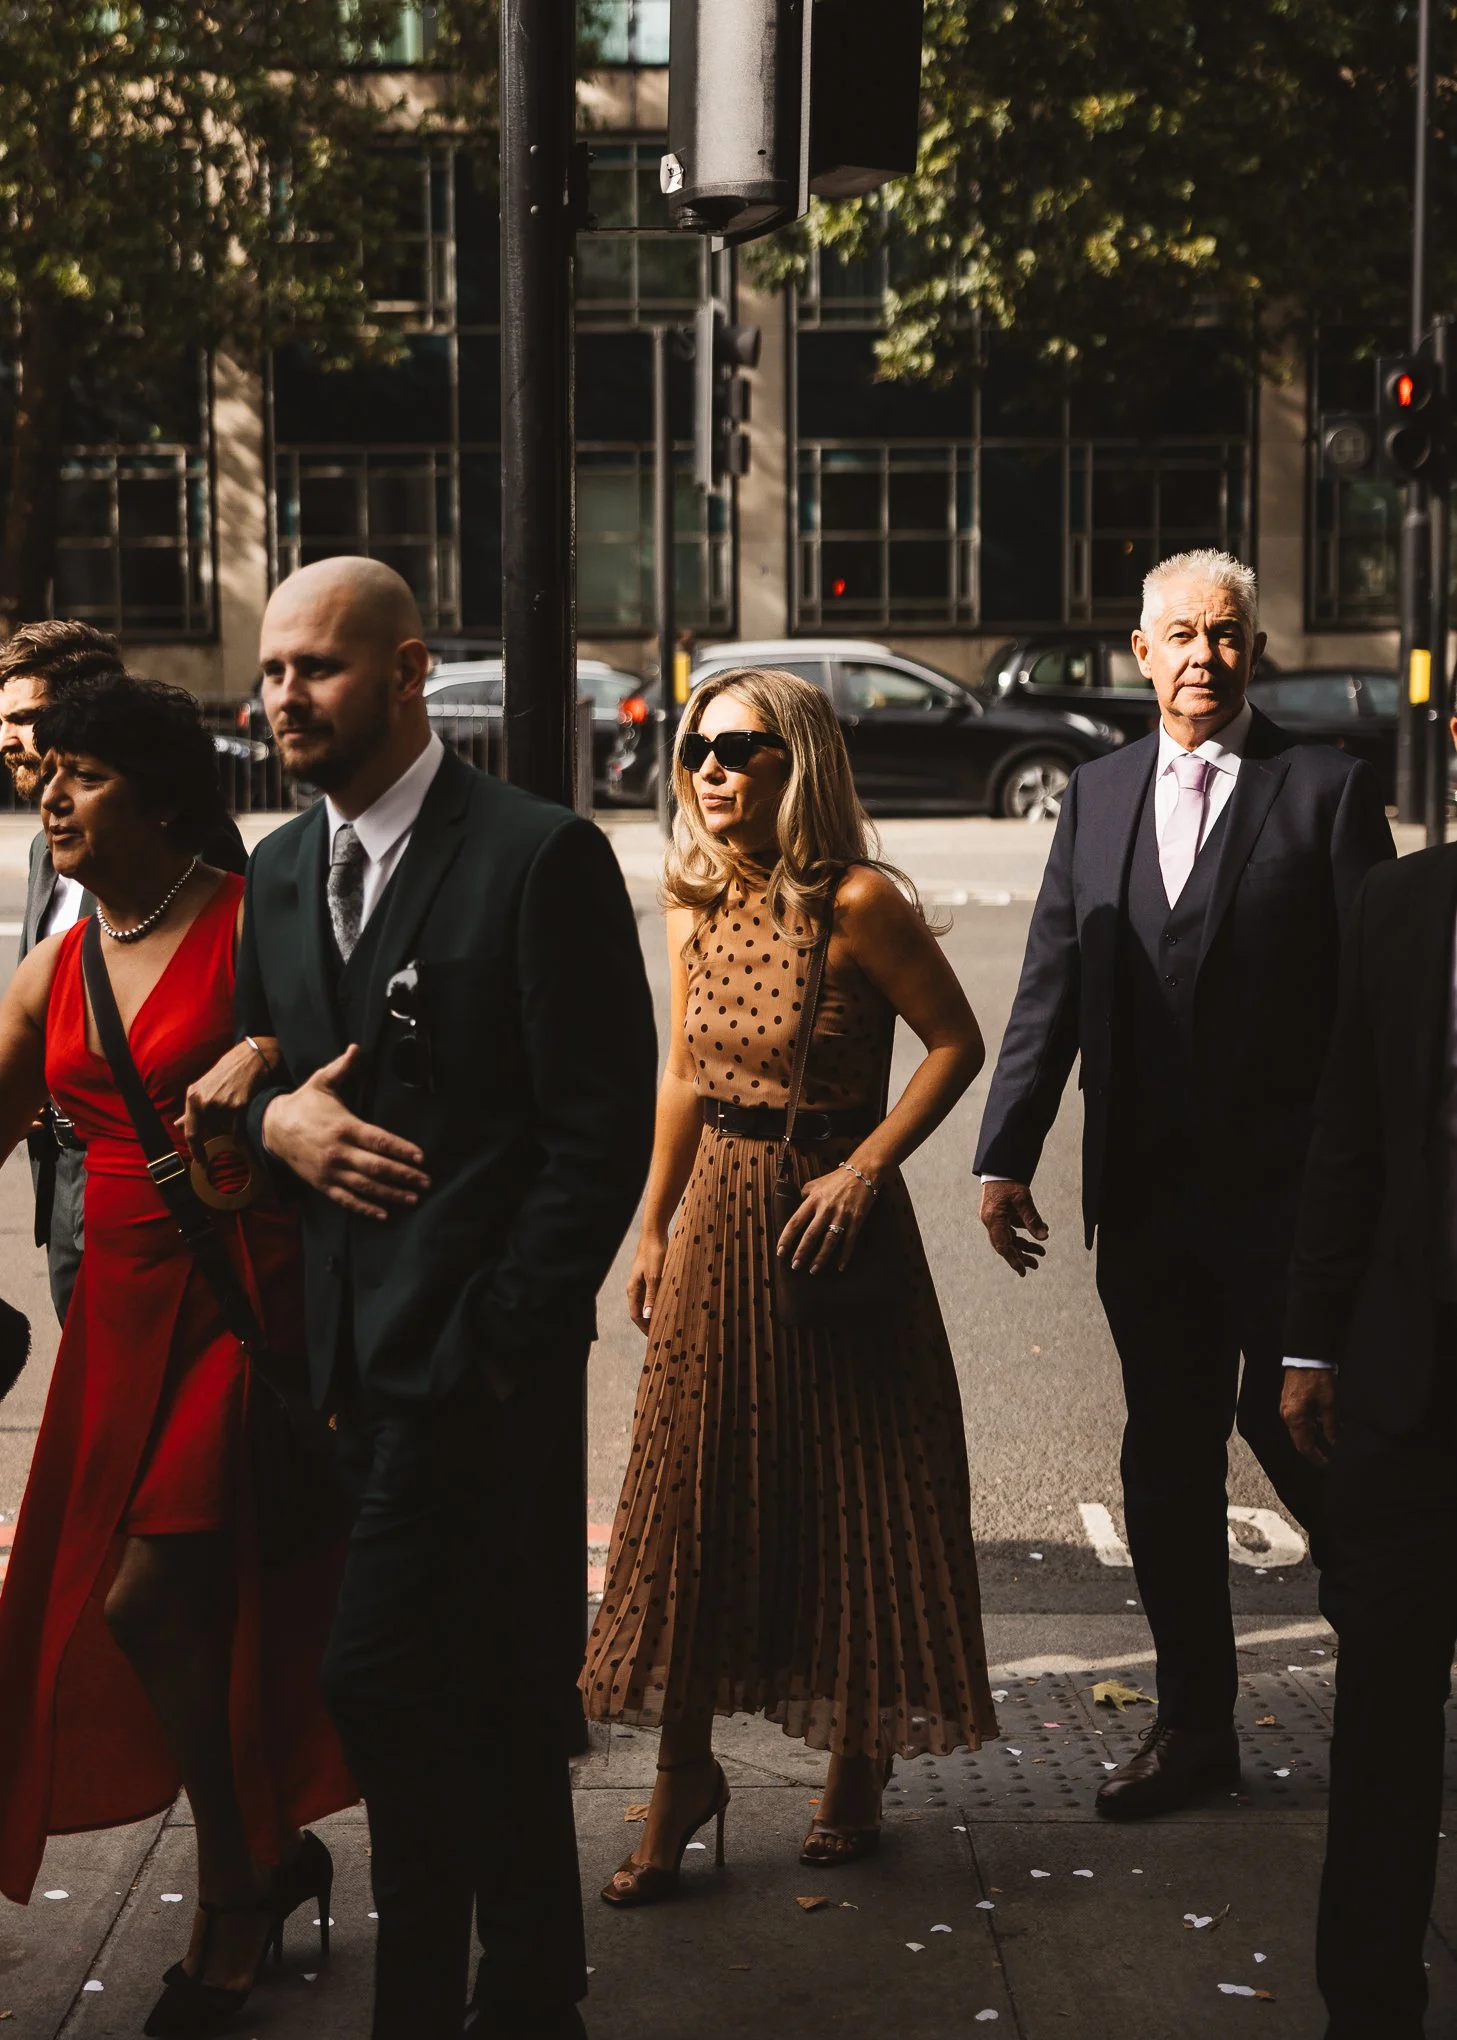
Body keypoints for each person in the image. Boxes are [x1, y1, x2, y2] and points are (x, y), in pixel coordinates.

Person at [225, 556, 656, 2040]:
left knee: (379, 1680)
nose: (283, 697)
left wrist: (499, 1344)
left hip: (474, 1370)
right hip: (337, 1374)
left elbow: (596, 1133)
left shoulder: (538, 857)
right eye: (272, 671)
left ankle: (419, 1999)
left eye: (317, 667)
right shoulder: (277, 873)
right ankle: (533, 1992)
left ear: (409, 673)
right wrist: (273, 1123)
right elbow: (251, 1087)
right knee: (487, 1683)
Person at [974, 549, 1394, 1820]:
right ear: (1141, 652)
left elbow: (1373, 1016)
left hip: (1288, 1206)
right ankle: (1194, 1727)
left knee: (1301, 1434)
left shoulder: (1323, 792)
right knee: (1164, 1462)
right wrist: (1005, 1148)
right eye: (1180, 635)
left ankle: (1395, 1666)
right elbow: (1053, 975)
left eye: (1225, 635)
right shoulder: (1095, 795)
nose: (1203, 657)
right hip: (1148, 1204)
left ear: (1251, 651)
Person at [583, 665, 998, 1904]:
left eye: (736, 749)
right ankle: (681, 1776)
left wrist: (866, 1168)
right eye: (694, 752)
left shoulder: (858, 900)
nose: (708, 771)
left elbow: (954, 1043)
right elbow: (681, 1070)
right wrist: (650, 1226)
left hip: (830, 1220)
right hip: (718, 1209)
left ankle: (856, 1760)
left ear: (795, 761)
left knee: (855, 1487)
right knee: (696, 1491)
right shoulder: (691, 897)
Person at [0, 674, 353, 2034]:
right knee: (171, 1605)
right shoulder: (57, 965)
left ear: (156, 797)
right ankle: (266, 1847)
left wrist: (264, 1044)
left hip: (240, 1298)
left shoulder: (253, 915)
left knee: (150, 1600)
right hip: (117, 1317)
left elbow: (361, 1040)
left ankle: (239, 1881)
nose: (52, 797)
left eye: (84, 775)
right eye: (47, 774)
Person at [1281, 721, 1457, 2039]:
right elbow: (1346, 1127)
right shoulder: (1397, 905)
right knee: (1384, 1703)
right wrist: (1310, 1341)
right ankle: (1367, 2005)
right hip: (1408, 1375)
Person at [0, 620, 248, 1326]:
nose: (8, 740)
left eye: (22, 719)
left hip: (196, 1213)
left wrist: (266, 1052)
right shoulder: (52, 883)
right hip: (70, 1182)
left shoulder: (219, 889)